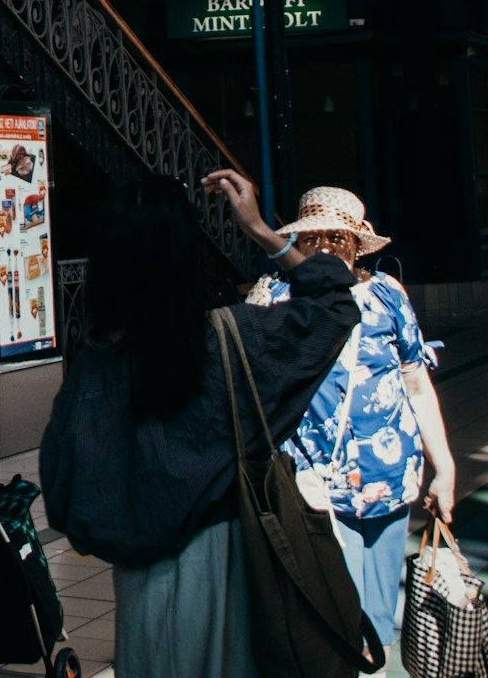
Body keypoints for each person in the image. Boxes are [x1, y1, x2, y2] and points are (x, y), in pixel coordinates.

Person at [42, 171, 361, 678]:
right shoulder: (237, 340)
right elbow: (335, 305)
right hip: (232, 563)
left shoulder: (97, 364)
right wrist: (259, 229)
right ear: (187, 255)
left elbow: (64, 493)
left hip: (141, 580)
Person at [250, 188, 456, 658]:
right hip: (312, 483)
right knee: (334, 614)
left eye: (336, 238)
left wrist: (443, 468)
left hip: (389, 478)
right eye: (313, 237)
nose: (324, 248)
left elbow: (417, 385)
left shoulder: (386, 296)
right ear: (295, 242)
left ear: (355, 243)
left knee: (379, 616)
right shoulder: (275, 298)